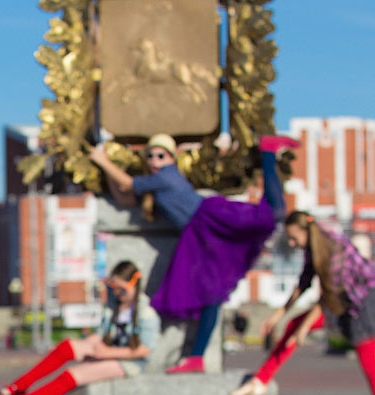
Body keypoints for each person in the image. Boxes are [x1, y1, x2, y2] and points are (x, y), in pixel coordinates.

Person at [89, 134, 295, 373]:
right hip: (199, 234)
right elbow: (124, 197)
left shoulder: (164, 177)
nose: (156, 161)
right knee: (211, 295)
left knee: (273, 214)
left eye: (161, 156)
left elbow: (126, 184)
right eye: (151, 156)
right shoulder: (154, 181)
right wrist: (105, 169)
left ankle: (268, 151)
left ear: (172, 158)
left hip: (209, 220)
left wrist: (102, 161)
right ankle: (196, 357)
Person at [229, 211, 375, 395]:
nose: (291, 243)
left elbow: (328, 296)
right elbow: (304, 284)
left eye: (293, 238)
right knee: (294, 325)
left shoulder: (334, 249)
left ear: (305, 231)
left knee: (369, 363)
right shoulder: (313, 248)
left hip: (363, 304)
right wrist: (278, 315)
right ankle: (262, 379)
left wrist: (303, 329)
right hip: (339, 302)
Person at [0, 261, 159, 395]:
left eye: (121, 289)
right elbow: (100, 335)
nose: (117, 293)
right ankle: (15, 388)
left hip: (129, 363)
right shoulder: (115, 307)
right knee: (67, 347)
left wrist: (109, 352)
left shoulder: (146, 313)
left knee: (72, 375)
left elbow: (145, 349)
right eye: (113, 287)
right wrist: (87, 345)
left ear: (134, 284)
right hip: (109, 352)